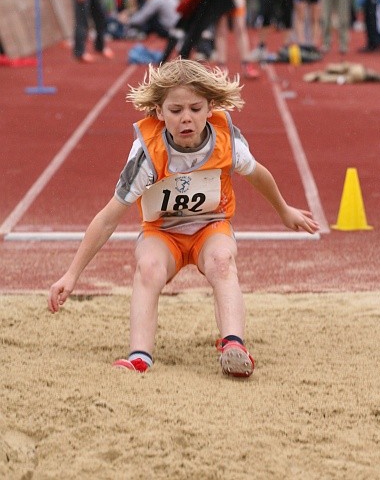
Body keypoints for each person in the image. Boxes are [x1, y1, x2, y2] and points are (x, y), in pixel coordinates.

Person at [48, 58, 319, 378]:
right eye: (176, 111)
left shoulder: (225, 141)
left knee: (221, 260)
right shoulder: (147, 154)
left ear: (210, 108)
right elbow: (108, 218)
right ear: (159, 113)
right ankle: (139, 355)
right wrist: (72, 274)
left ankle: (234, 344)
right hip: (163, 233)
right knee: (148, 267)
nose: (186, 118)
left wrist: (284, 210)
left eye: (195, 108)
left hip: (211, 226)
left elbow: (258, 175)